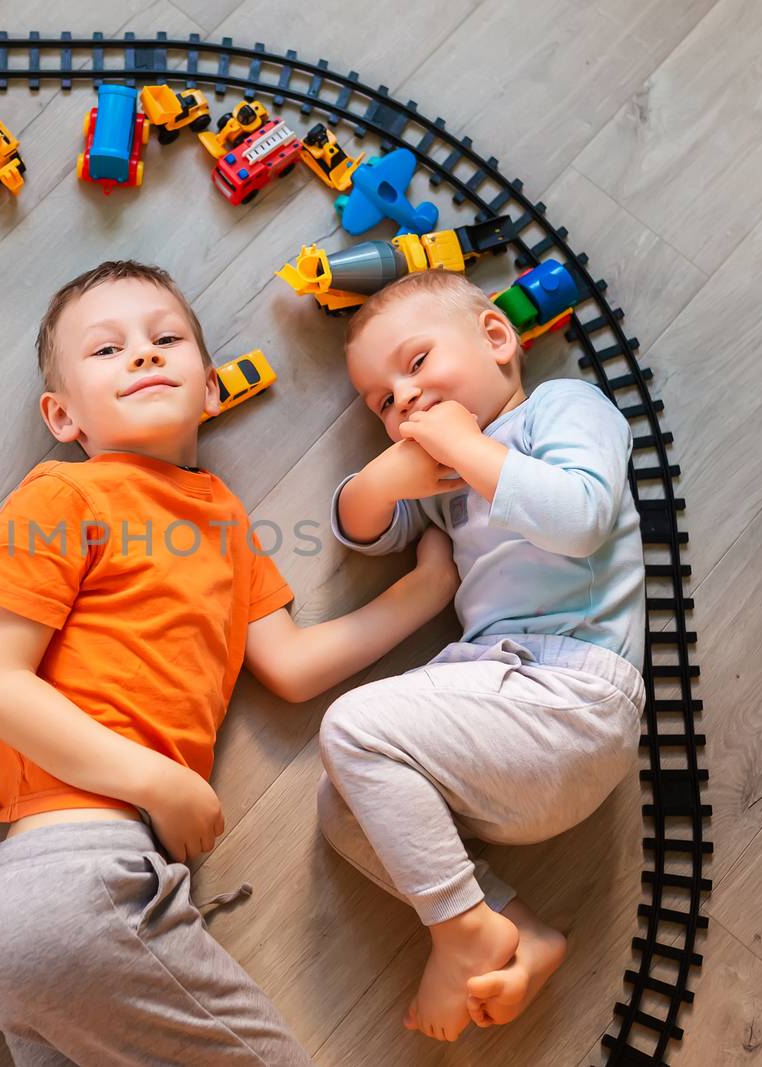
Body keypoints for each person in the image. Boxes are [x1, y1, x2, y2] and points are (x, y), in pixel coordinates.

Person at [0, 260, 460, 1065]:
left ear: (213, 387)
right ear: (61, 414)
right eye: (108, 350)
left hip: (52, 916)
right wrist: (157, 780)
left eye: (165, 340)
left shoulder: (221, 518)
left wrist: (426, 592)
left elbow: (290, 665)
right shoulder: (65, 494)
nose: (144, 356)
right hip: (80, 870)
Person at [319, 268, 646, 1041]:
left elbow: (579, 517)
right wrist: (380, 477)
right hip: (507, 743)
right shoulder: (436, 476)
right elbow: (362, 528)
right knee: (344, 807)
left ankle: (458, 928)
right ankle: (515, 928)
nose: (403, 399)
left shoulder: (559, 409)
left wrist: (469, 448)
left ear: (497, 338)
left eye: (417, 362)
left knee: (352, 727)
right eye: (381, 401)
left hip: (570, 694)